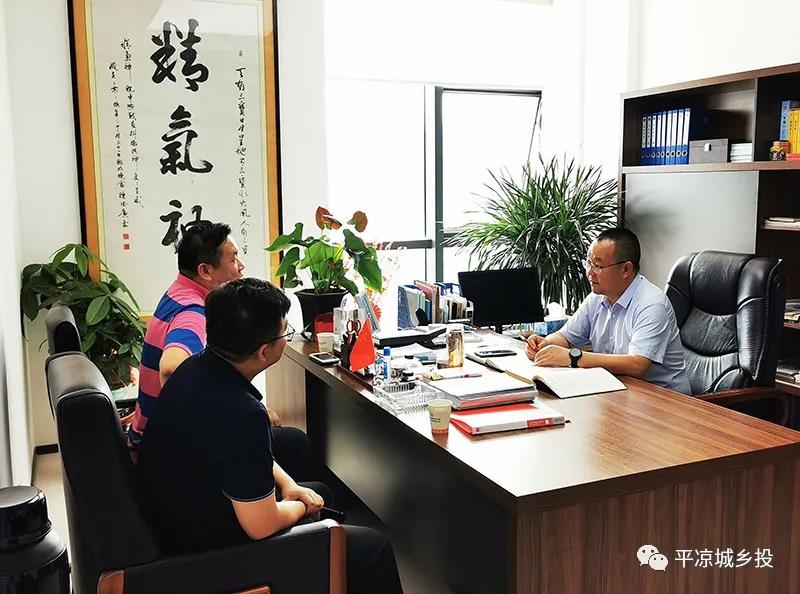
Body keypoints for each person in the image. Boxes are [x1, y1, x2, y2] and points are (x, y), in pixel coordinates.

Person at [138, 279, 404, 594]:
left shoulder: (194, 369)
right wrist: (303, 506)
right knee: (373, 548)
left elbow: (242, 455)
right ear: (264, 352)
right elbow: (260, 525)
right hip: (203, 556)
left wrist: (291, 488)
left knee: (317, 491)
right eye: (284, 333)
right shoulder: (241, 413)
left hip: (175, 515)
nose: (286, 337)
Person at [128, 222, 314, 480]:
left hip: (149, 435)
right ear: (205, 270)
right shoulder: (193, 312)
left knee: (291, 441)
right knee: (294, 444)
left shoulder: (178, 292)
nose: (241, 266)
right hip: (165, 447)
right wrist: (231, 411)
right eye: (233, 259)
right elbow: (171, 369)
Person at [526, 227, 691, 394]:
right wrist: (544, 344)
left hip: (664, 398)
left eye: (597, 265)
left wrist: (573, 357)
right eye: (589, 263)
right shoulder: (596, 298)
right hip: (617, 389)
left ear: (626, 269)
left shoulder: (652, 304)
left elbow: (637, 365)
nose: (589, 272)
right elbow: (565, 337)